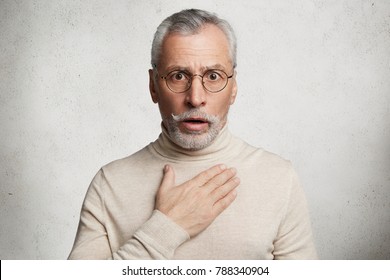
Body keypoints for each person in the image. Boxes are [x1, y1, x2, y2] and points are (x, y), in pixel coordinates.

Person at [68, 8, 317, 260]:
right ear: (153, 86)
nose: (196, 98)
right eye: (178, 76)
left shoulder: (279, 178)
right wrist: (166, 228)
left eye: (213, 76)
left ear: (233, 88)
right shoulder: (109, 185)